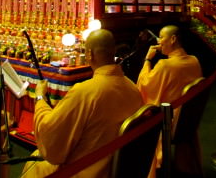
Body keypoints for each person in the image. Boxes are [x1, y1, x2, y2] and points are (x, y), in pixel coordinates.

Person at [22, 29, 143, 178]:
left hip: (84, 171)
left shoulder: (84, 92)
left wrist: (40, 99)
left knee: (35, 164)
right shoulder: (133, 88)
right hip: (122, 170)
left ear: (89, 54)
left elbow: (51, 140)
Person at [137, 24, 203, 178]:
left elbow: (143, 85)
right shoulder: (194, 60)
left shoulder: (164, 66)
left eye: (161, 37)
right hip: (188, 121)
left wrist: (147, 60)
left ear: (173, 39)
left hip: (169, 123)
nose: (159, 41)